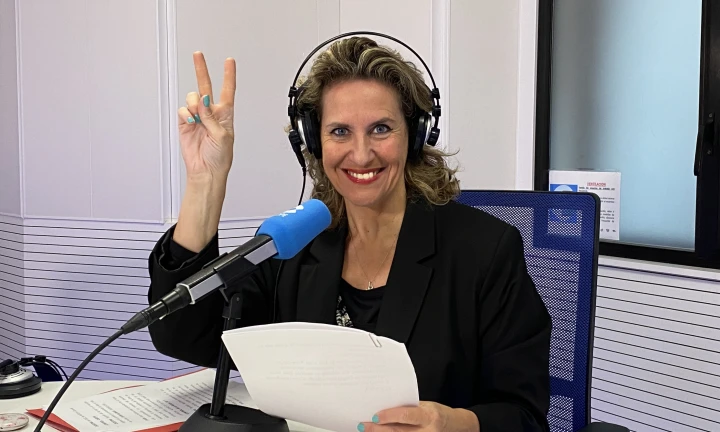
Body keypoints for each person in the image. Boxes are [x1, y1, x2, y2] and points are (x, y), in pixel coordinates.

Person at [147, 36, 552, 432]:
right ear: (313, 140)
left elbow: (524, 416)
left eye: (381, 128)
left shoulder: (484, 251)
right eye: (340, 131)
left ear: (415, 136)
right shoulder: (296, 244)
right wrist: (205, 182)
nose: (360, 154)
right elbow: (185, 335)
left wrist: (451, 424)